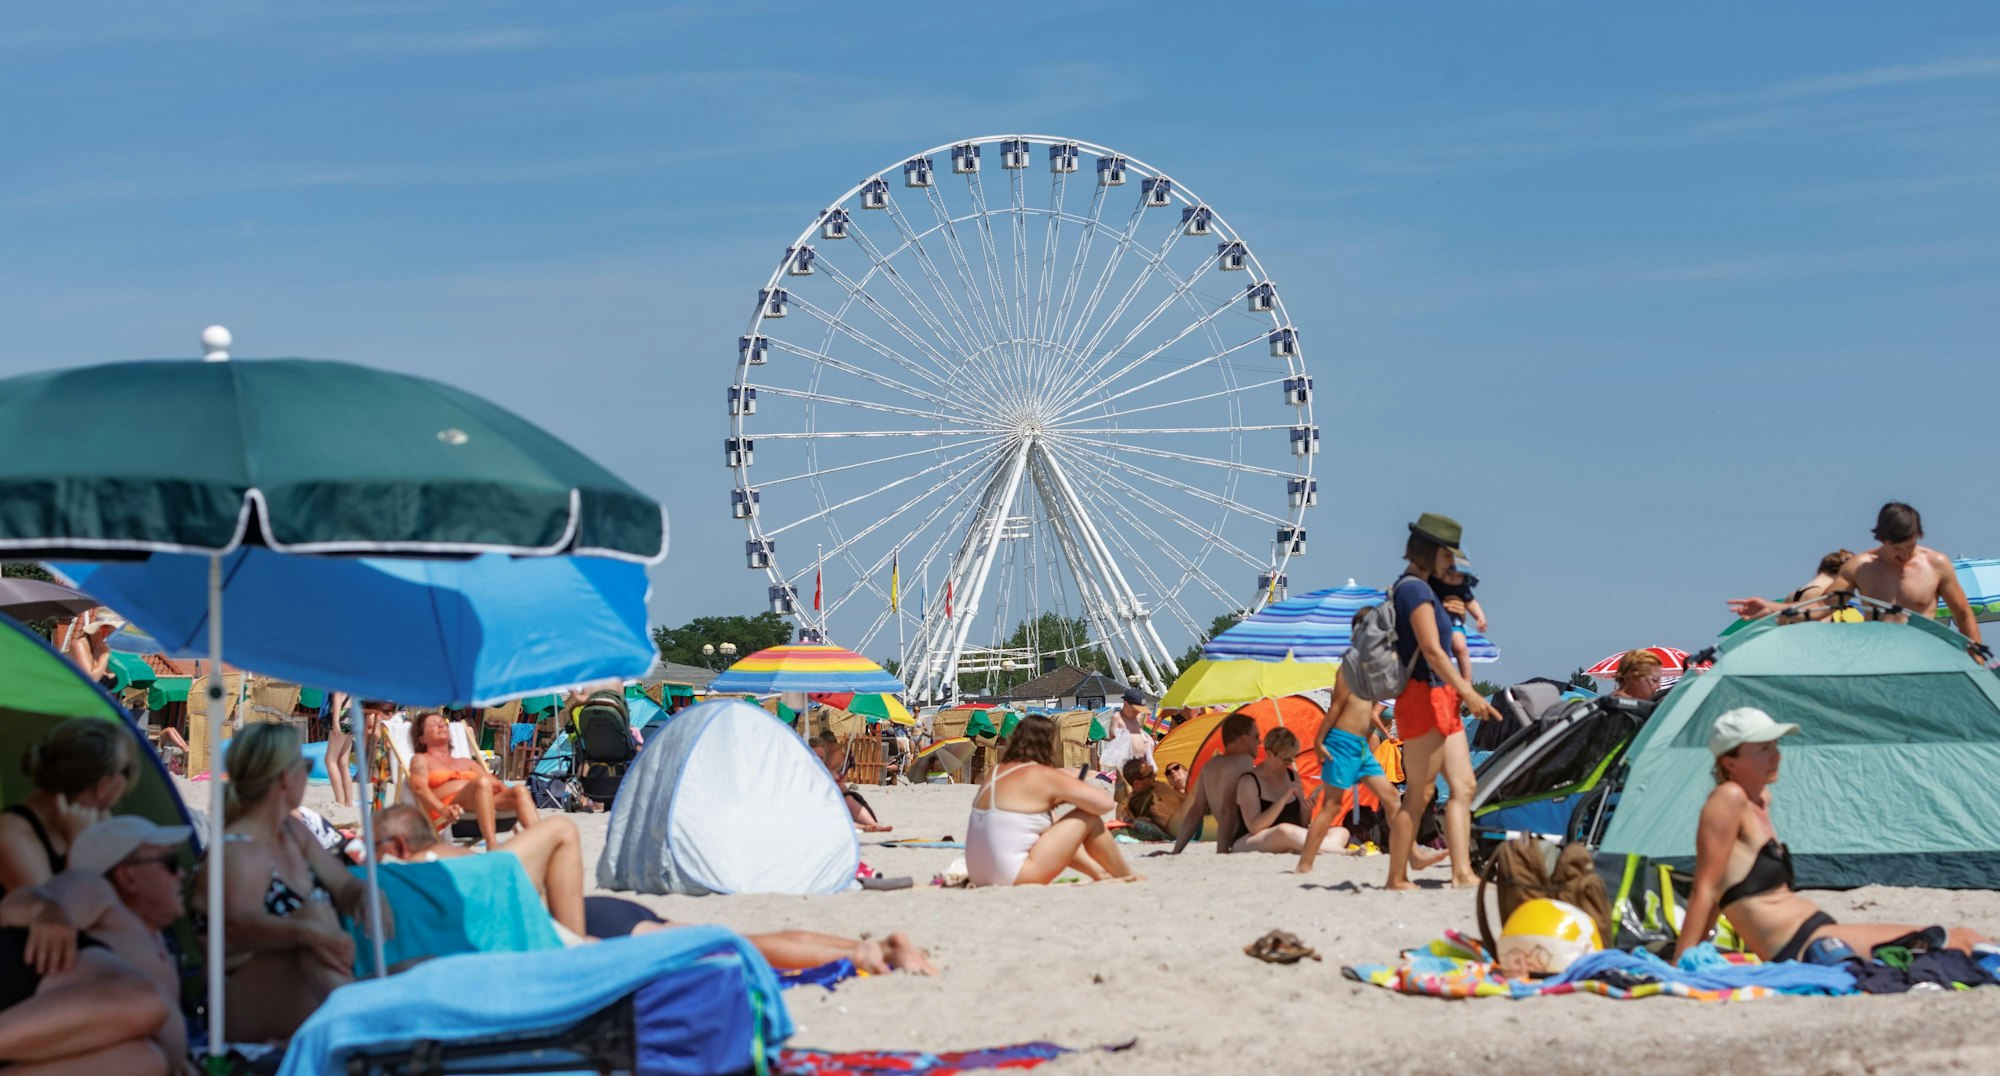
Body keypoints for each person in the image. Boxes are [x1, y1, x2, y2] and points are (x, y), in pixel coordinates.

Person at [375, 806, 938, 974]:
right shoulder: (479, 863)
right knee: (733, 939)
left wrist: (574, 947)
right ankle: (860, 948)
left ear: (401, 847)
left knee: (735, 947)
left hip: (587, 930)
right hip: (593, 911)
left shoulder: (425, 875)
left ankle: (865, 953)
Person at [1673, 707, 1988, 964]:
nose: (1777, 756)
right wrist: (1682, 962)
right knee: (1954, 942)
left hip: (1816, 931)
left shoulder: (1761, 801)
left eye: (1776, 746)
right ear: (1730, 761)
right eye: (1764, 749)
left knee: (1963, 936)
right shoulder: (1728, 798)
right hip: (1796, 945)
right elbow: (1707, 887)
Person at [192, 723, 391, 1044]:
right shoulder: (238, 851)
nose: (308, 776)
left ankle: (358, 1018)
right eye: (307, 767)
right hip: (239, 1002)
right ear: (285, 777)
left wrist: (366, 894)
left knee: (422, 968)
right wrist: (305, 932)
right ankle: (363, 1031)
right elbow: (238, 929)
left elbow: (342, 885)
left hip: (304, 985)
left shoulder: (293, 833)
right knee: (313, 917)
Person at [0, 816, 195, 1073]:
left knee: (144, 1061)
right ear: (128, 876)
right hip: (32, 999)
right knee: (143, 1003)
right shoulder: (95, 890)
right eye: (170, 863)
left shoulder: (156, 937)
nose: (181, 874)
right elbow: (19, 904)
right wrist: (45, 911)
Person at [1386, 514, 1500, 891]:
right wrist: (1468, 691)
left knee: (1464, 786)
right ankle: (1397, 877)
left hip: (1441, 695)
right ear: (1431, 552)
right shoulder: (1413, 590)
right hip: (1423, 696)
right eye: (1447, 556)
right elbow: (1433, 652)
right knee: (1420, 793)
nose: (1451, 564)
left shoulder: (1423, 589)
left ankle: (1461, 871)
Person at [1729, 503, 1986, 660]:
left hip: (1925, 656)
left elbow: (1963, 615)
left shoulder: (1936, 564)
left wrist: (1977, 656)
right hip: (1876, 659)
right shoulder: (1860, 567)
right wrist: (1771, 609)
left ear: (1918, 535)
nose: (1905, 556)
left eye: (1910, 546)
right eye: (1898, 549)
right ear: (1882, 539)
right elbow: (1821, 608)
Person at [1297, 661, 1446, 875]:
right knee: (1331, 806)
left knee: (1392, 797)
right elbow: (1336, 707)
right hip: (1343, 743)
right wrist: (1320, 740)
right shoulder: (1349, 671)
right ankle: (1305, 862)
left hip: (1360, 747)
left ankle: (1413, 855)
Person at [965, 714, 1142, 885]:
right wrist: (1071, 789)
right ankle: (1127, 874)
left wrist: (1051, 801)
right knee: (1087, 817)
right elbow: (1104, 804)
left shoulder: (996, 773)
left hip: (978, 874)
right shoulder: (1043, 775)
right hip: (1014, 875)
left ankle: (1099, 873)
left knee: (1050, 822)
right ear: (1048, 744)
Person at [373, 805, 588, 936]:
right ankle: (575, 942)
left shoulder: (404, 869)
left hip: (497, 906)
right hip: (505, 901)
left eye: (375, 845)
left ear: (401, 845)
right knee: (561, 828)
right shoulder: (418, 869)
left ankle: (575, 944)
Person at [0, 719, 134, 896]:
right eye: (126, 771)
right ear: (104, 785)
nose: (127, 782)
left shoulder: (97, 819)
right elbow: (55, 920)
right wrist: (80, 849)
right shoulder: (11, 836)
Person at [405, 710, 541, 848]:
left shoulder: (466, 762)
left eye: (443, 724)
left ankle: (541, 843)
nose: (441, 726)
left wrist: (512, 797)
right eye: (434, 725)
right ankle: (492, 845)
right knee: (481, 783)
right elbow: (419, 789)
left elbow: (496, 785)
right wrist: (442, 809)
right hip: (449, 809)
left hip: (481, 803)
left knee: (519, 790)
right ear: (422, 738)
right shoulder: (421, 760)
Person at [1226, 727, 1346, 857]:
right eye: (1286, 759)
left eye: (1292, 758)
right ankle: (1342, 852)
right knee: (1283, 830)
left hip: (1288, 839)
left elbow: (1302, 824)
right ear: (1270, 754)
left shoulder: (1292, 776)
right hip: (1251, 840)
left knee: (1341, 831)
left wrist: (1307, 810)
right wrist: (1284, 798)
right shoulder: (1249, 781)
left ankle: (1310, 848)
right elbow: (1255, 827)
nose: (1289, 763)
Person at [1169, 712, 1258, 855]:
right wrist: (1222, 850)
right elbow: (1228, 810)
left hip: (1235, 840)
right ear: (1244, 739)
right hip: (1248, 838)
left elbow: (1196, 811)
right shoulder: (1242, 761)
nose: (1259, 742)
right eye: (1256, 737)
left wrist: (1176, 849)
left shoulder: (1209, 766)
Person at [810, 731, 890, 832]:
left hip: (831, 801)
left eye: (822, 757)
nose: (819, 761)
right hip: (815, 805)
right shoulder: (805, 771)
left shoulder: (828, 769)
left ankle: (873, 825)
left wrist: (840, 787)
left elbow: (842, 790)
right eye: (816, 757)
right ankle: (862, 827)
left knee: (848, 798)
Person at [1431, 556, 1485, 684]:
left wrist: (1480, 617)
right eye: (1450, 574)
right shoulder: (1433, 585)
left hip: (1454, 622)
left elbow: (1471, 602)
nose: (1454, 578)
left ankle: (1467, 678)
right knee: (1440, 650)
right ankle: (1445, 674)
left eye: (1459, 576)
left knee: (1460, 647)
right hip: (1435, 623)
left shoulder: (1462, 588)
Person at [1117, 758, 1182, 842]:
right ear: (1137, 784)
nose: (1155, 775)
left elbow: (1183, 798)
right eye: (1150, 775)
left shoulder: (1159, 786)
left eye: (1152, 770)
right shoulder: (1126, 805)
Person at [1099, 689, 1157, 774]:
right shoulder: (1117, 717)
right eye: (1134, 710)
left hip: (1140, 760)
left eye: (1139, 711)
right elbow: (1113, 738)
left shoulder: (1137, 717)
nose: (1137, 713)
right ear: (1126, 704)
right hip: (1124, 763)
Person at [324, 692, 356, 813]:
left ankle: (340, 800)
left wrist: (335, 721)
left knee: (330, 760)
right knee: (343, 763)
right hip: (353, 714)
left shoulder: (338, 676)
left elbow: (337, 696)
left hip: (342, 714)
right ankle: (349, 802)